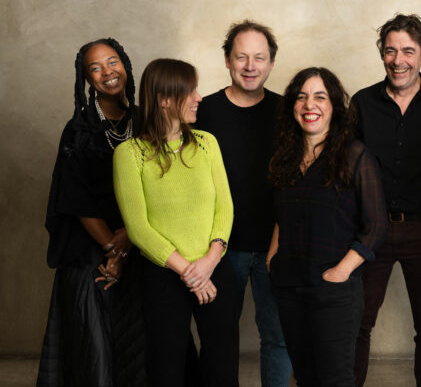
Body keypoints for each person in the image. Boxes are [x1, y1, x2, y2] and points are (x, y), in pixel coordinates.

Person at [351, 14, 421, 386]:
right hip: (372, 231)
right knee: (357, 322)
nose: (398, 60)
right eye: (390, 50)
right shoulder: (362, 103)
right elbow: (347, 168)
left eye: (408, 51)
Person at [113, 58, 238, 387]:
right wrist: (190, 273)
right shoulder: (130, 154)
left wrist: (210, 260)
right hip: (164, 276)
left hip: (214, 268)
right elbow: (138, 229)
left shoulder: (207, 143)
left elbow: (224, 207)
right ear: (164, 99)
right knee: (167, 372)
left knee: (223, 372)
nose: (199, 97)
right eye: (190, 91)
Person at [267, 67, 387, 387]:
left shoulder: (355, 155)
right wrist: (272, 259)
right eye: (302, 97)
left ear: (334, 106)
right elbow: (281, 215)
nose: (310, 105)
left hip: (334, 291)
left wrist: (340, 272)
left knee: (335, 380)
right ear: (293, 105)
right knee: (305, 378)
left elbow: (376, 225)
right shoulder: (285, 157)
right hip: (289, 286)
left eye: (320, 97)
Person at [37, 38, 146, 386]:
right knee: (94, 332)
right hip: (91, 245)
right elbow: (76, 198)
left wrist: (129, 239)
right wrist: (113, 250)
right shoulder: (78, 129)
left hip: (141, 238)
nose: (107, 72)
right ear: (86, 78)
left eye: (113, 62)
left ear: (125, 65)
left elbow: (160, 189)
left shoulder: (145, 121)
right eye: (95, 68)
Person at [196, 20, 292, 386]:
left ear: (271, 63)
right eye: (241, 57)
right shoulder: (203, 111)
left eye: (259, 58)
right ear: (226, 60)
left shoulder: (288, 112)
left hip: (275, 245)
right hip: (219, 248)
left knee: (278, 338)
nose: (250, 66)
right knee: (218, 340)